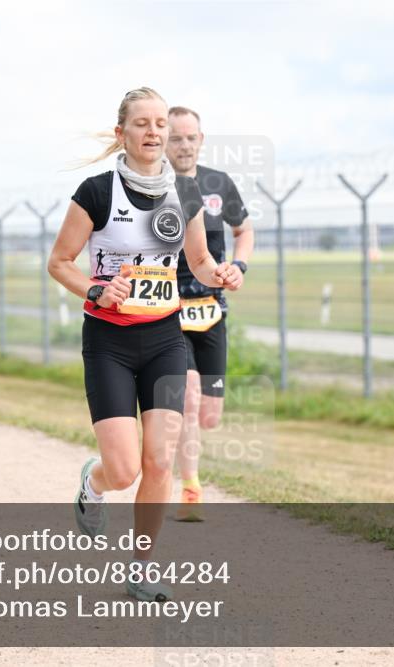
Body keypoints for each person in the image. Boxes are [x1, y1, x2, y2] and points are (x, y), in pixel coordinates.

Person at [48, 87, 240, 602]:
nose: (154, 132)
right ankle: (94, 481)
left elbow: (197, 263)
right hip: (109, 341)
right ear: (122, 134)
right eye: (142, 124)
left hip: (163, 339)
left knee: (160, 461)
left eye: (160, 124)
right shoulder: (95, 192)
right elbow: (60, 262)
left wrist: (219, 273)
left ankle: (142, 566)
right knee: (125, 468)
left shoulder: (188, 194)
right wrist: (95, 287)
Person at [165, 106, 254, 521]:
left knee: (209, 416)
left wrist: (238, 266)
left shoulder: (218, 183)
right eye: (175, 137)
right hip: (169, 312)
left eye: (190, 137)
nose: (183, 145)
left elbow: (244, 231)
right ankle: (191, 488)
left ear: (201, 139)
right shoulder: (156, 185)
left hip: (212, 312)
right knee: (188, 397)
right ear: (163, 141)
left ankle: (165, 440)